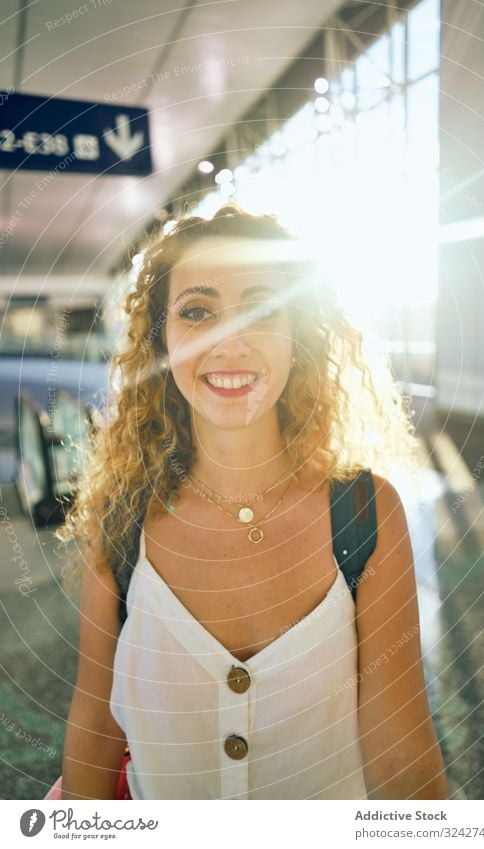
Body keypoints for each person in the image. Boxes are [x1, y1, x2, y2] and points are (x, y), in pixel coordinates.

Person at [56, 203, 449, 800]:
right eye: (197, 311)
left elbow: (402, 755)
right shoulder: (122, 519)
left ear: (299, 334)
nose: (229, 341)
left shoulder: (367, 511)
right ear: (162, 339)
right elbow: (94, 728)